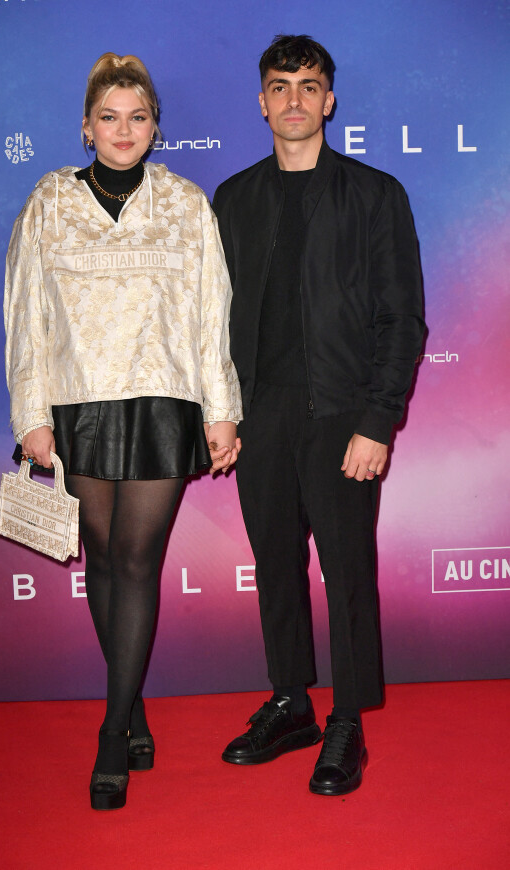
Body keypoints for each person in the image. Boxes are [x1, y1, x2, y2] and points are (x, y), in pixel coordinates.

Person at [4, 52, 242, 811]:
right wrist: (31, 414)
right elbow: (26, 316)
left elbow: (212, 314)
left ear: (155, 127)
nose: (124, 129)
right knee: (101, 560)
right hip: (78, 403)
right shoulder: (49, 201)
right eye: (109, 116)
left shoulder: (184, 203)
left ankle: (113, 732)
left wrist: (221, 407)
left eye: (138, 117)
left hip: (163, 400)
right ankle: (131, 702)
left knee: (136, 562)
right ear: (86, 127)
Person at [213, 34, 425, 795]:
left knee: (347, 572)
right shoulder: (233, 200)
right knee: (275, 564)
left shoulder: (375, 196)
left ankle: (347, 722)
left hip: (343, 415)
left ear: (329, 100)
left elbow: (403, 321)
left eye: (309, 86)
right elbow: (214, 320)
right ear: (262, 101)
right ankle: (292, 701)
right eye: (280, 86)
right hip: (259, 412)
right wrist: (223, 412)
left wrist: (377, 420)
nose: (295, 99)